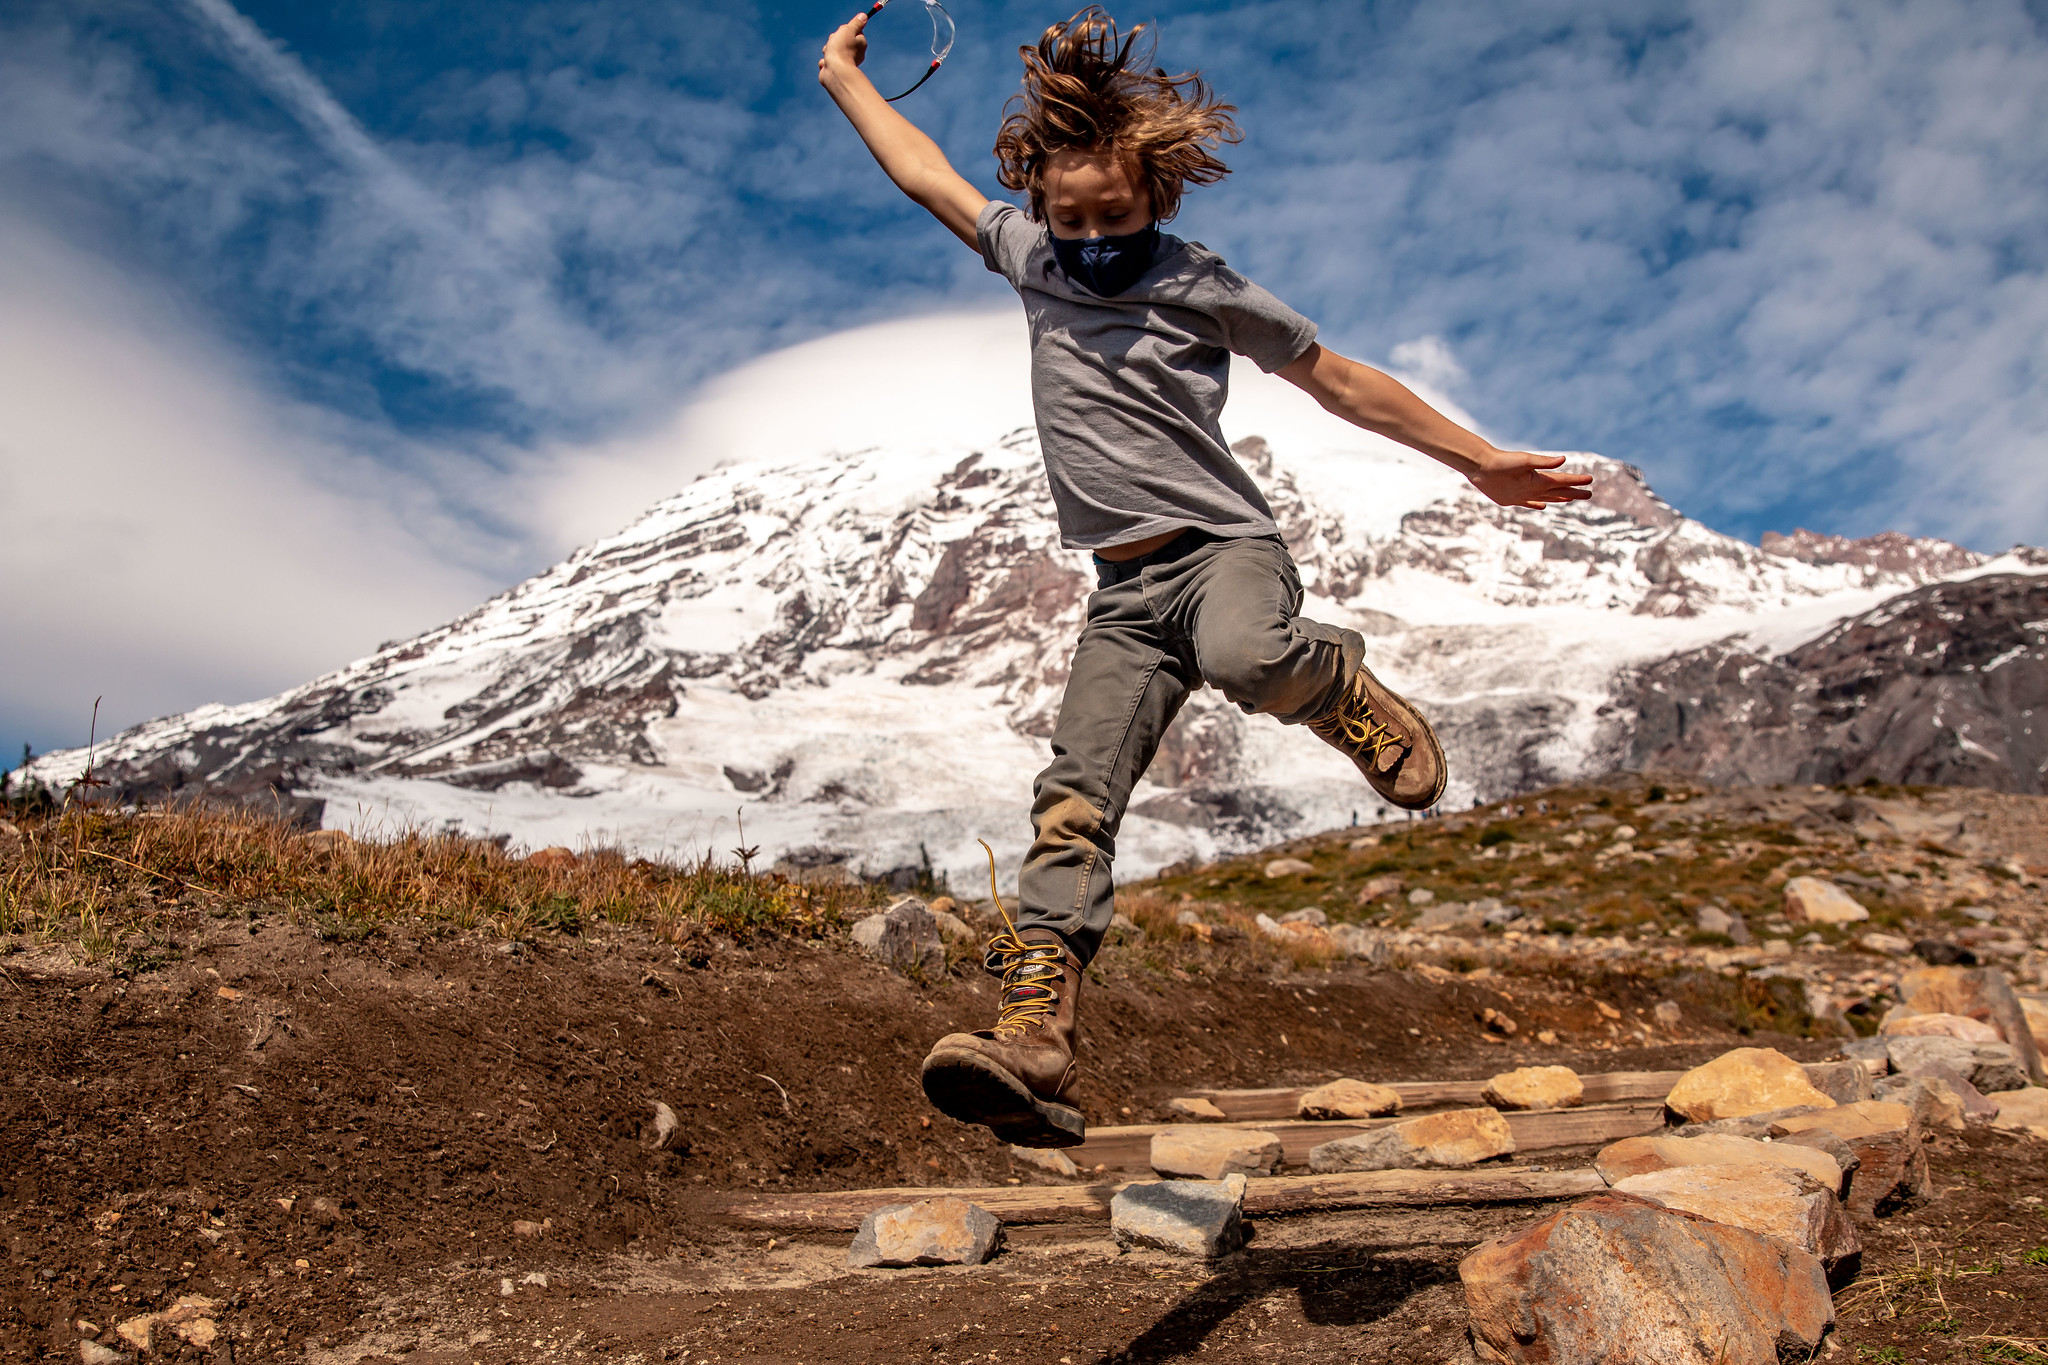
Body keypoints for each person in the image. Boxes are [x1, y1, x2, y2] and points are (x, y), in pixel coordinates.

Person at [818, 6, 1591, 1147]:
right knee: (1071, 806)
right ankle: (1036, 1036)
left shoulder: (1197, 282)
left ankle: (1339, 687)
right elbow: (924, 175)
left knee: (1246, 654)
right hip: (1122, 599)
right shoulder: (1030, 261)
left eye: (1113, 215)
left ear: (1156, 199)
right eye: (1068, 218)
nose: (1089, 238)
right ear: (1038, 208)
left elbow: (1335, 378)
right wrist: (843, 81)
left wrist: (1478, 460)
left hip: (1222, 554)